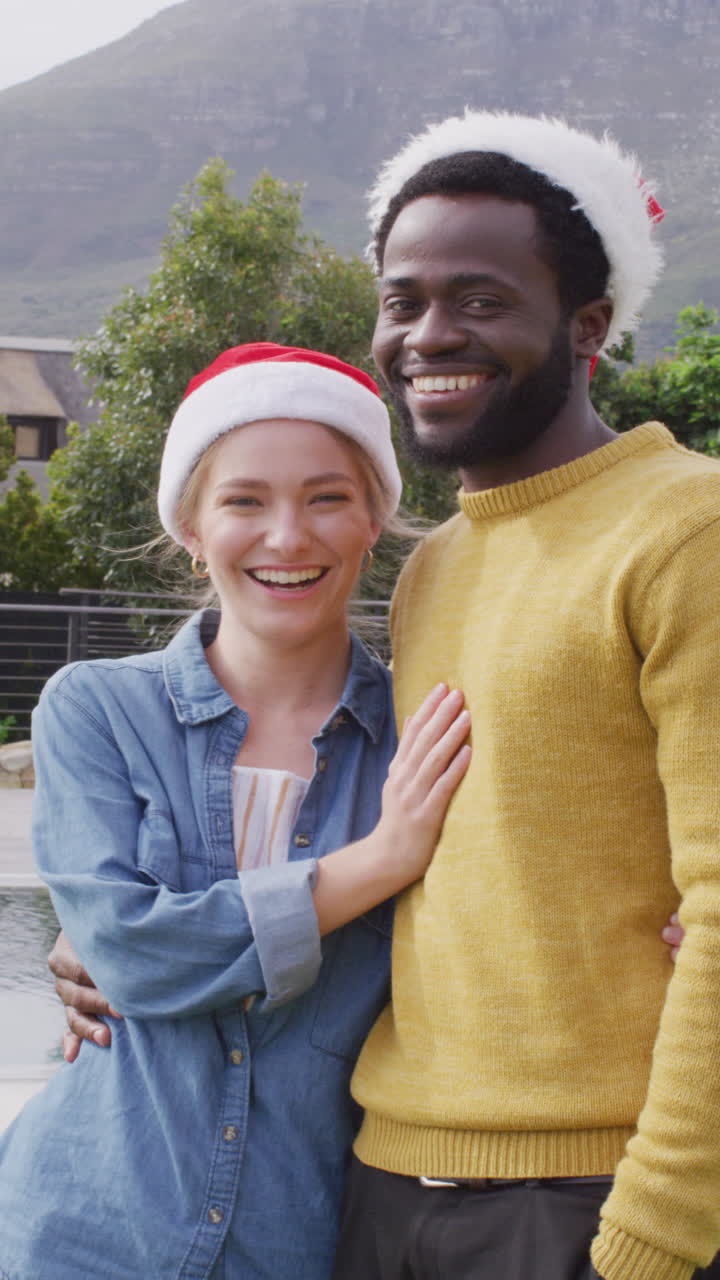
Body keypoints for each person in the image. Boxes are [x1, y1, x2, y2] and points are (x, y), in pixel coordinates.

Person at [327, 112, 720, 1280]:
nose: (429, 334)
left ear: (590, 326)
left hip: (590, 1201)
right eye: (404, 300)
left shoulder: (686, 529)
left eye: (482, 299)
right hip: (387, 1179)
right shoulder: (433, 563)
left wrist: (657, 1226)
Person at [0, 342, 472, 1280]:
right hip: (80, 1231)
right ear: (189, 523)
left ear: (375, 516)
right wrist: (380, 860)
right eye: (244, 500)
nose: (288, 536)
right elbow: (130, 954)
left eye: (328, 496)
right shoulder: (96, 708)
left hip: (298, 1239)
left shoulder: (426, 740)